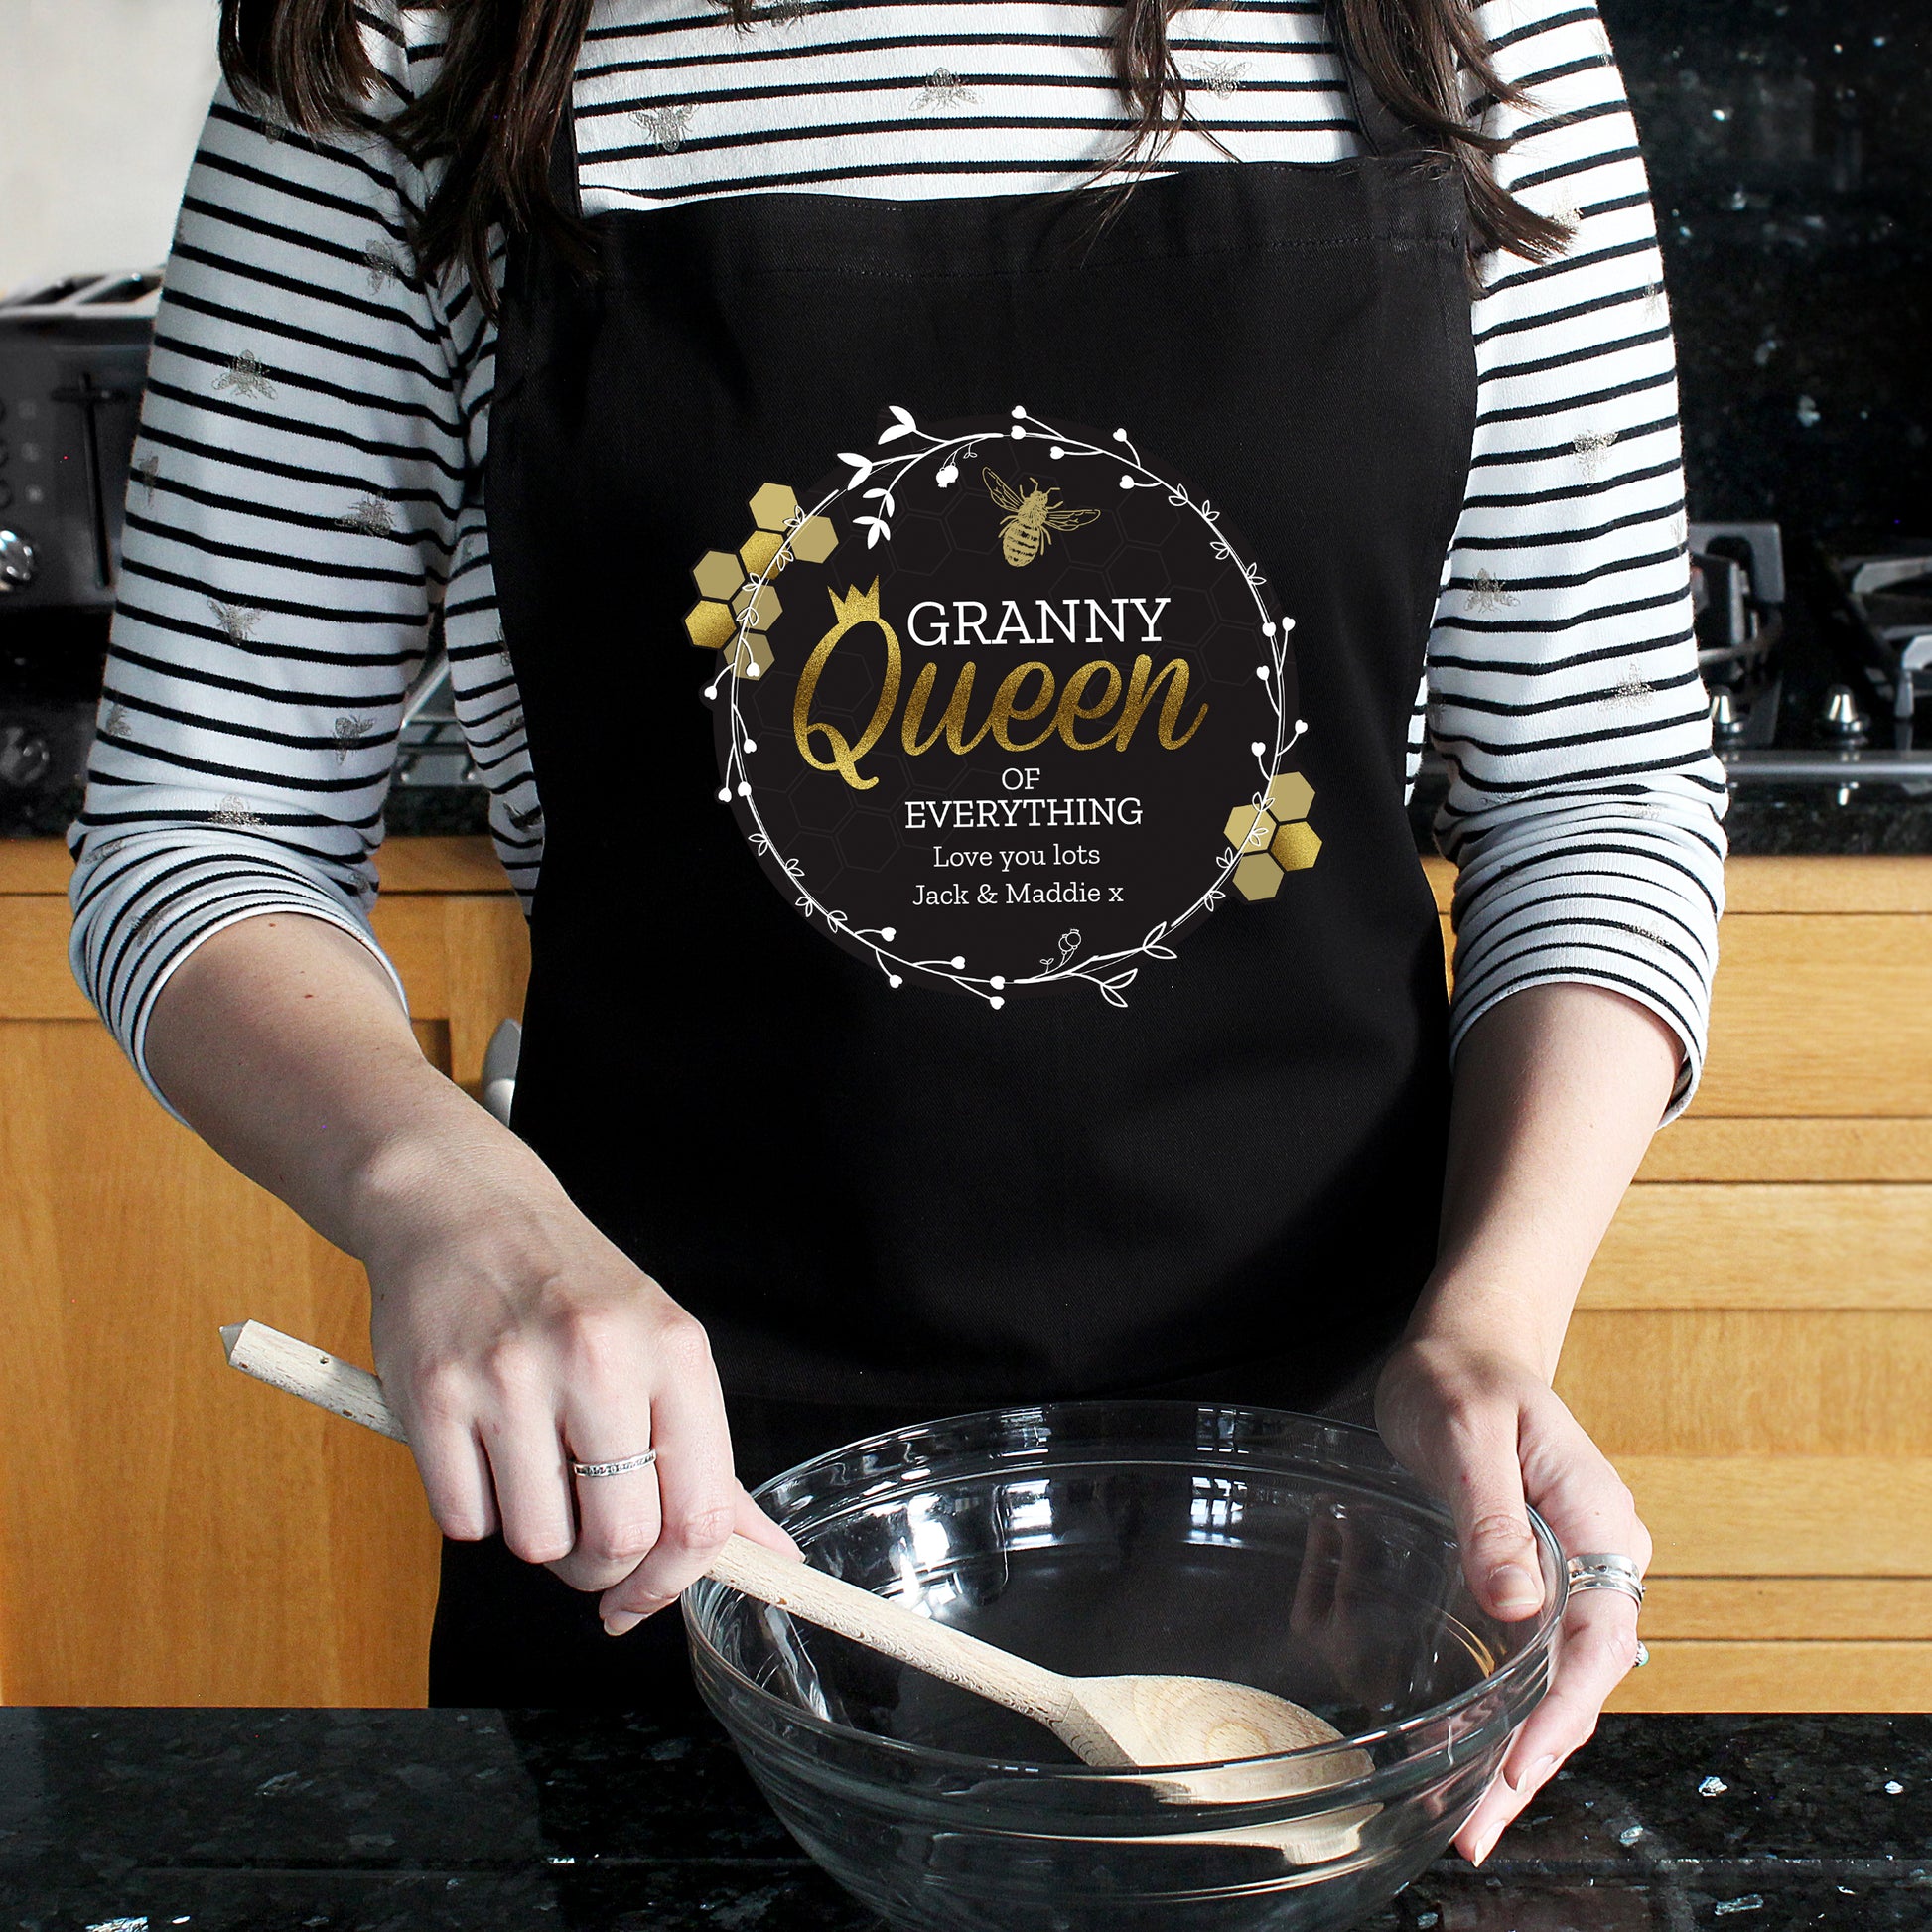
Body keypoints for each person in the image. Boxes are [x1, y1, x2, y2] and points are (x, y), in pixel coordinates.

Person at [69, 0, 1724, 1866]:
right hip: (675, 1522)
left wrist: (1491, 1319)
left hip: (1332, 1532)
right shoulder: (407, 35)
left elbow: (1595, 789)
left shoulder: (1470, 30)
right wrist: (449, 1202)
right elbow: (205, 820)